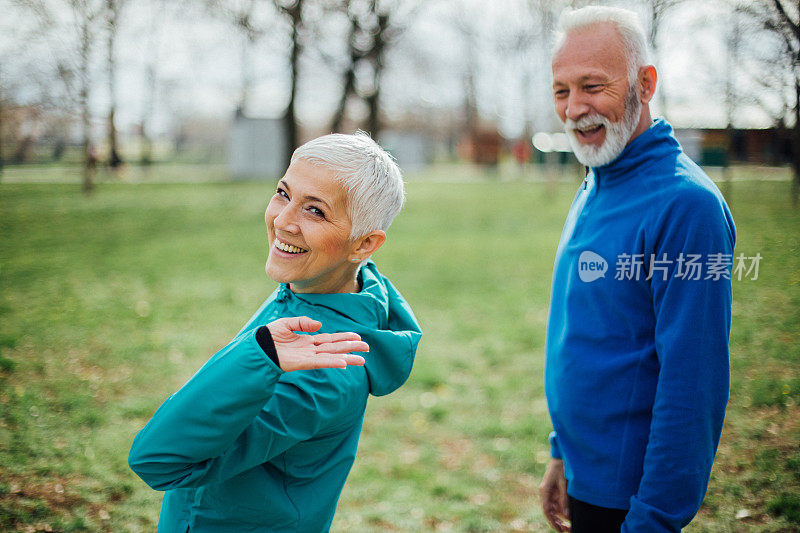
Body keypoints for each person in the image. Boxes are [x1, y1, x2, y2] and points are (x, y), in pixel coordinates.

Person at [129, 132, 422, 532]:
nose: (283, 221)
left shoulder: (320, 365)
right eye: (283, 194)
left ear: (365, 244)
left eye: (315, 212)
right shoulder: (330, 287)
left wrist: (258, 355)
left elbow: (158, 460)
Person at [538, 7, 735, 533]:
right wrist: (563, 455)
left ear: (645, 84)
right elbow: (589, 334)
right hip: (584, 477)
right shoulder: (596, 178)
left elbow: (694, 386)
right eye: (561, 91)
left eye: (592, 86)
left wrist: (653, 520)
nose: (575, 108)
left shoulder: (685, 205)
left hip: (630, 502)